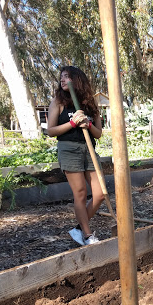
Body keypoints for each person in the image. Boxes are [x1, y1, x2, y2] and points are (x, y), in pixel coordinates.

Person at [47, 66, 104, 246]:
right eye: (61, 77)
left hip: (88, 149)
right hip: (69, 148)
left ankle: (79, 228)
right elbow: (51, 131)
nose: (62, 80)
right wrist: (72, 123)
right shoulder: (59, 101)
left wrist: (88, 124)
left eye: (67, 77)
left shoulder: (90, 104)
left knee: (100, 193)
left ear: (77, 80)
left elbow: (98, 133)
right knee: (80, 193)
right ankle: (87, 235)